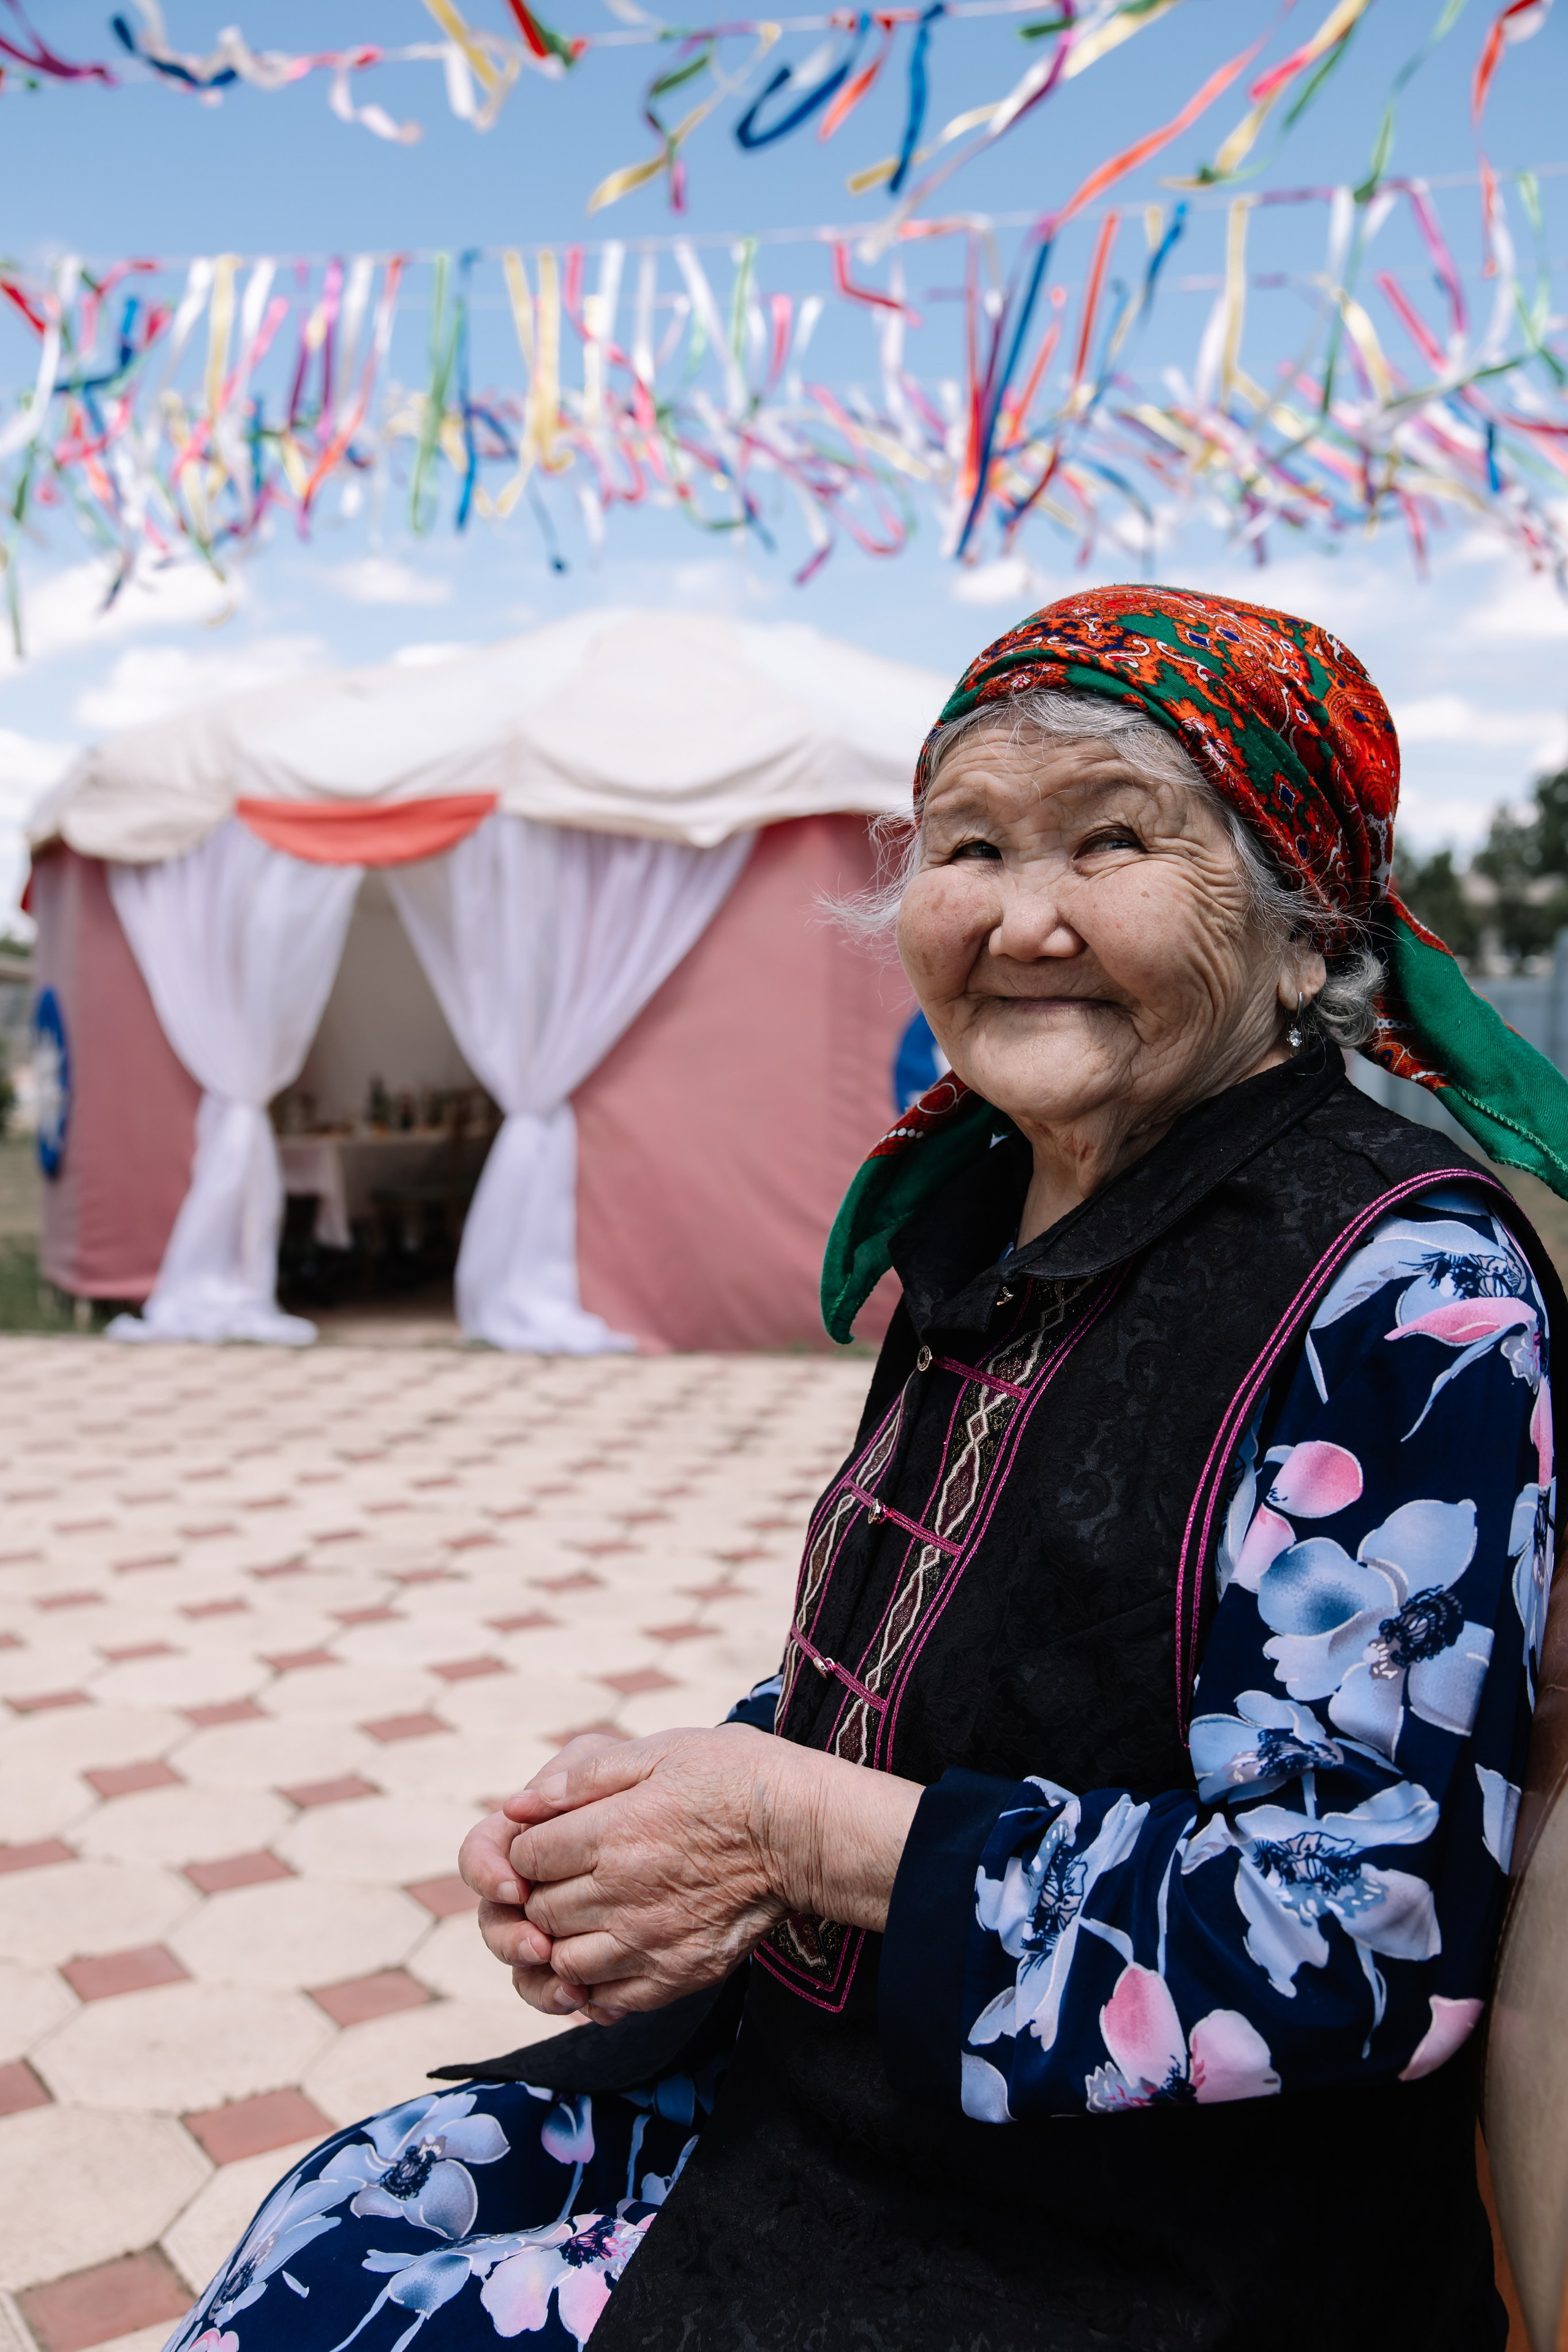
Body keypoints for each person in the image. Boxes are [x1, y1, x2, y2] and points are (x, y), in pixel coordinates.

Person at [165, 586, 1566, 2352]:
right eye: (971, 844)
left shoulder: (1397, 1291)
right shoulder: (998, 1215)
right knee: (342, 2219)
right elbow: (978, 1675)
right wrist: (680, 1812)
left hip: (1140, 2237)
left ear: (1301, 932)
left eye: (1112, 842)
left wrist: (789, 1834)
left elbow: (1355, 1937)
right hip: (854, 2093)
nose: (1024, 916)